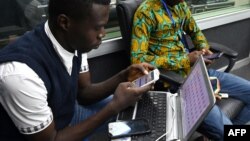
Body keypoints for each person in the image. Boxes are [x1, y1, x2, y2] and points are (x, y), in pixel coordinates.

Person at [0, 0, 155, 141]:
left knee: (136, 105)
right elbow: (52, 139)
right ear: (64, 22)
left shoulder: (73, 40)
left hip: (65, 115)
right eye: (97, 27)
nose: (103, 34)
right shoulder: (20, 74)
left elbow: (84, 93)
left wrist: (123, 76)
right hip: (50, 134)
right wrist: (114, 107)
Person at [130, 0, 250, 140]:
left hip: (198, 73)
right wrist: (186, 59)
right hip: (177, 83)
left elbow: (194, 31)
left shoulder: (180, 5)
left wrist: (204, 48)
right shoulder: (146, 12)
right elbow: (138, 60)